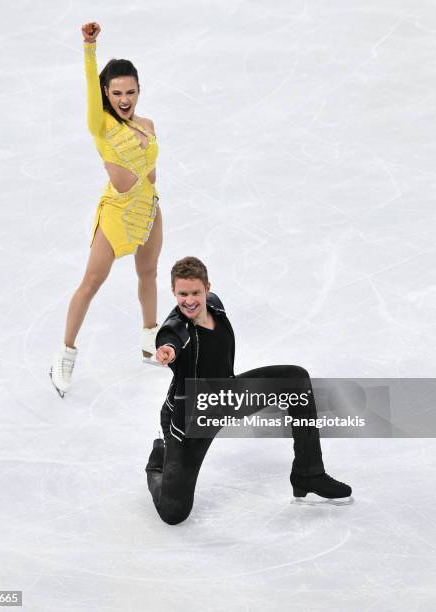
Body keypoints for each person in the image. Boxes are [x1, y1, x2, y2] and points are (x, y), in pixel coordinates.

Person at [146, 257, 353, 525]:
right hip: (192, 421)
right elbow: (171, 337)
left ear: (208, 288)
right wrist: (168, 350)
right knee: (173, 513)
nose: (189, 300)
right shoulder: (178, 327)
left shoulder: (215, 307)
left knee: (296, 379)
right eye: (182, 294)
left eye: (195, 292)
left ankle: (308, 473)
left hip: (230, 396)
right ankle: (157, 461)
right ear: (174, 292)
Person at [50, 21, 163, 398]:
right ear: (106, 93)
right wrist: (89, 47)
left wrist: (153, 201)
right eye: (117, 92)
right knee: (92, 283)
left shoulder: (147, 125)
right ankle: (65, 354)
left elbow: (151, 171)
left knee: (148, 274)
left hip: (148, 209)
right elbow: (88, 86)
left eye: (131, 91)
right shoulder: (99, 125)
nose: (125, 98)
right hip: (117, 214)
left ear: (138, 90)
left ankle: (151, 342)